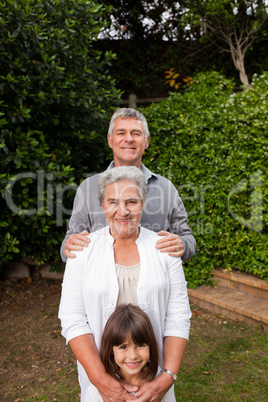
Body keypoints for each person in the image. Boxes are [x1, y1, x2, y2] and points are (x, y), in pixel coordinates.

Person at [58, 166, 191, 401]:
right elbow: (73, 319)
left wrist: (167, 377)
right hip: (100, 384)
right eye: (113, 202)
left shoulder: (164, 248)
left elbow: (178, 318)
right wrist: (101, 380)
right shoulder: (82, 249)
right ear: (102, 206)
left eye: (131, 201)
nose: (123, 211)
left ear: (143, 204)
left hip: (154, 382)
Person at [60, 108, 196, 263]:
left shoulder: (166, 189)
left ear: (146, 141)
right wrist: (68, 247)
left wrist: (182, 245)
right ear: (110, 140)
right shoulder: (88, 187)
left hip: (153, 283)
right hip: (101, 283)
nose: (129, 139)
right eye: (121, 133)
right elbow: (68, 244)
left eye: (136, 133)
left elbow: (188, 240)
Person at [100, 304, 175, 402]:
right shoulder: (105, 385)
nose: (133, 356)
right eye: (123, 347)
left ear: (150, 345)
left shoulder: (161, 379)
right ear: (111, 350)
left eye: (140, 345)